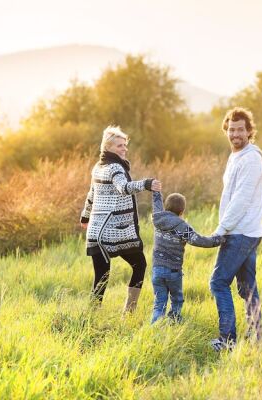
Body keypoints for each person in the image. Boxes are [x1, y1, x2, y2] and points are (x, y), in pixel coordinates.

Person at [80, 125, 161, 312]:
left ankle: (92, 315)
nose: (124, 148)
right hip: (114, 231)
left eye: (125, 145)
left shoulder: (98, 166)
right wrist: (147, 184)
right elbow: (123, 187)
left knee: (102, 276)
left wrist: (85, 217)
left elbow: (91, 194)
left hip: (96, 232)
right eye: (119, 146)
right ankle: (129, 312)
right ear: (107, 148)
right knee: (139, 265)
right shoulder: (115, 167)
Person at [209, 107, 262, 351]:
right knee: (247, 288)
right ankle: (257, 337)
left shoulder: (251, 158)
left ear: (249, 131)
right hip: (243, 231)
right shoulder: (236, 157)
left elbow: (241, 200)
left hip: (241, 233)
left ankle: (228, 341)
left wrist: (221, 230)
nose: (235, 134)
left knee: (218, 282)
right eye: (231, 130)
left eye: (240, 130)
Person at [150, 191, 224, 324]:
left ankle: (155, 329)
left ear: (166, 207)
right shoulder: (182, 226)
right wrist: (218, 240)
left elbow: (156, 204)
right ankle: (174, 322)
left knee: (159, 302)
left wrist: (156, 192)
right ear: (182, 211)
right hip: (173, 271)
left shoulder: (157, 218)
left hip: (157, 270)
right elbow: (199, 240)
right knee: (177, 299)